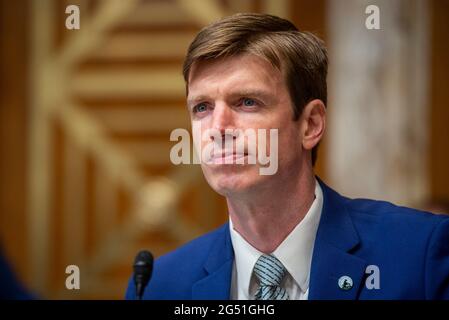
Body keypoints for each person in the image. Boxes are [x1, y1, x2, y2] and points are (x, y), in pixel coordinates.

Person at [126, 13, 449, 300]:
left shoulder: (419, 255)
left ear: (310, 124)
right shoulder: (159, 284)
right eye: (202, 107)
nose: (218, 128)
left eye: (247, 102)